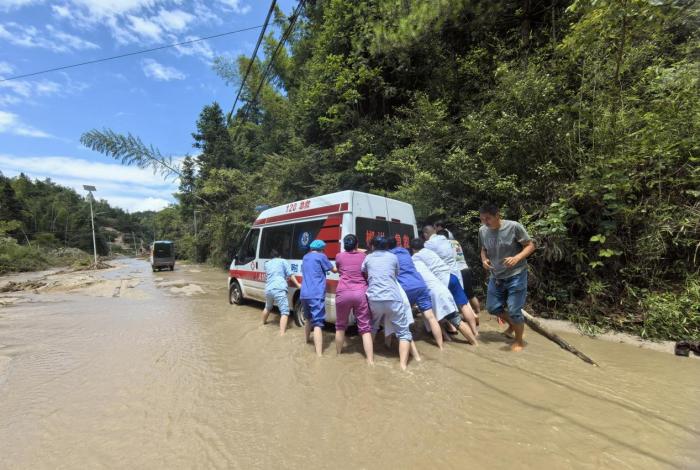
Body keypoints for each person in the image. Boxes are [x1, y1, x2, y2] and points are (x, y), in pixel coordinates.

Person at [479, 202, 535, 352]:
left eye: (488, 218)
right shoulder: (483, 231)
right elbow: (483, 250)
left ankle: (519, 340)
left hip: (516, 274)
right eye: (482, 219)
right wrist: (484, 260)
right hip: (496, 276)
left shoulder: (514, 227)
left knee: (514, 310)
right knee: (492, 307)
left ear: (498, 215)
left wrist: (517, 258)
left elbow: (530, 245)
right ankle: (513, 325)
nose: (485, 222)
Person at [362, 236, 415, 370]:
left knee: (373, 327)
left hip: (375, 298)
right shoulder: (393, 257)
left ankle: (370, 361)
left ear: (373, 246)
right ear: (386, 246)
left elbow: (364, 271)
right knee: (403, 333)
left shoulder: (368, 258)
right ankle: (403, 365)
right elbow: (396, 273)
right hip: (393, 298)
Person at [411, 238, 477, 345]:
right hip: (452, 276)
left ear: (413, 249)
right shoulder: (430, 251)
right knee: (464, 305)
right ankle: (475, 333)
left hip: (442, 283)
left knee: (449, 317)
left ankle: (449, 336)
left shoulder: (415, 258)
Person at [387, 237, 444, 349]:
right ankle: (441, 347)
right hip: (420, 284)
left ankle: (388, 346)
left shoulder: (389, 256)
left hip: (405, 287)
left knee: (398, 318)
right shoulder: (405, 251)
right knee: (430, 317)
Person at [423, 225, 479, 338]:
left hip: (443, 278)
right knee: (464, 305)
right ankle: (475, 332)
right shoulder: (445, 239)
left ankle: (452, 329)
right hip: (455, 275)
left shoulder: (428, 245)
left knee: (447, 306)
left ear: (425, 235)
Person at [334, 234, 374, 365]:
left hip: (343, 293)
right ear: (357, 245)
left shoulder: (339, 256)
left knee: (340, 326)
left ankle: (338, 356)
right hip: (361, 293)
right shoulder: (364, 257)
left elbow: (338, 269)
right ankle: (370, 361)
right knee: (365, 328)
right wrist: (359, 250)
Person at [438, 229, 482, 320]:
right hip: (465, 268)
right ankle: (478, 312)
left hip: (457, 271)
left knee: (460, 295)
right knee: (470, 294)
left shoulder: (444, 245)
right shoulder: (455, 242)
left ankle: (471, 315)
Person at [300, 239, 334, 356]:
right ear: (322, 248)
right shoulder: (321, 256)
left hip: (304, 293)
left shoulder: (305, 257)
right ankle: (319, 355)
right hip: (316, 294)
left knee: (308, 319)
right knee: (318, 324)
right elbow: (333, 269)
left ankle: (306, 341)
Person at [262, 248, 301, 335]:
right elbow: (290, 275)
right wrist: (298, 285)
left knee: (267, 307)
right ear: (279, 256)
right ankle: (282, 334)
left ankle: (263, 324)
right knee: (285, 312)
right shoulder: (283, 261)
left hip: (268, 289)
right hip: (279, 288)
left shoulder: (267, 264)